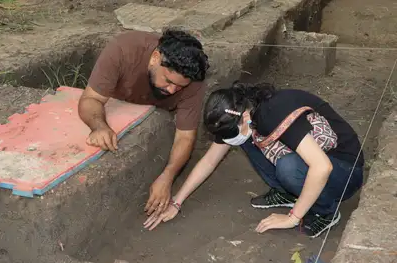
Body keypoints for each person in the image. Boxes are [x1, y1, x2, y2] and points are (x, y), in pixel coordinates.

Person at [143, 81, 364, 238]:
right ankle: (287, 191)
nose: (229, 139)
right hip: (318, 162)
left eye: (231, 132)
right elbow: (210, 161)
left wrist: (292, 218)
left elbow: (322, 166)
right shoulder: (243, 113)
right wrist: (176, 202)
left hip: (344, 171)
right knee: (246, 139)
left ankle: (326, 211)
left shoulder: (274, 113)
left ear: (244, 116)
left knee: (289, 167)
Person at [78, 29, 210, 217]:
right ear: (155, 57)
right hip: (120, 105)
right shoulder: (123, 49)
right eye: (168, 81)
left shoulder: (194, 79)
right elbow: (91, 99)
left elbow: (185, 136)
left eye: (180, 87)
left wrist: (167, 176)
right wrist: (99, 126)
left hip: (159, 111)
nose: (173, 90)